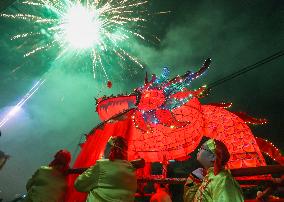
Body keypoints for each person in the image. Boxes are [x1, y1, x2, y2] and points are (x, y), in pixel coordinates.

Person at [74, 136, 138, 202]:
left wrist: (94, 167)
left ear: (110, 149)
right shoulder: (132, 171)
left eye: (107, 147)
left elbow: (79, 184)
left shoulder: (102, 165)